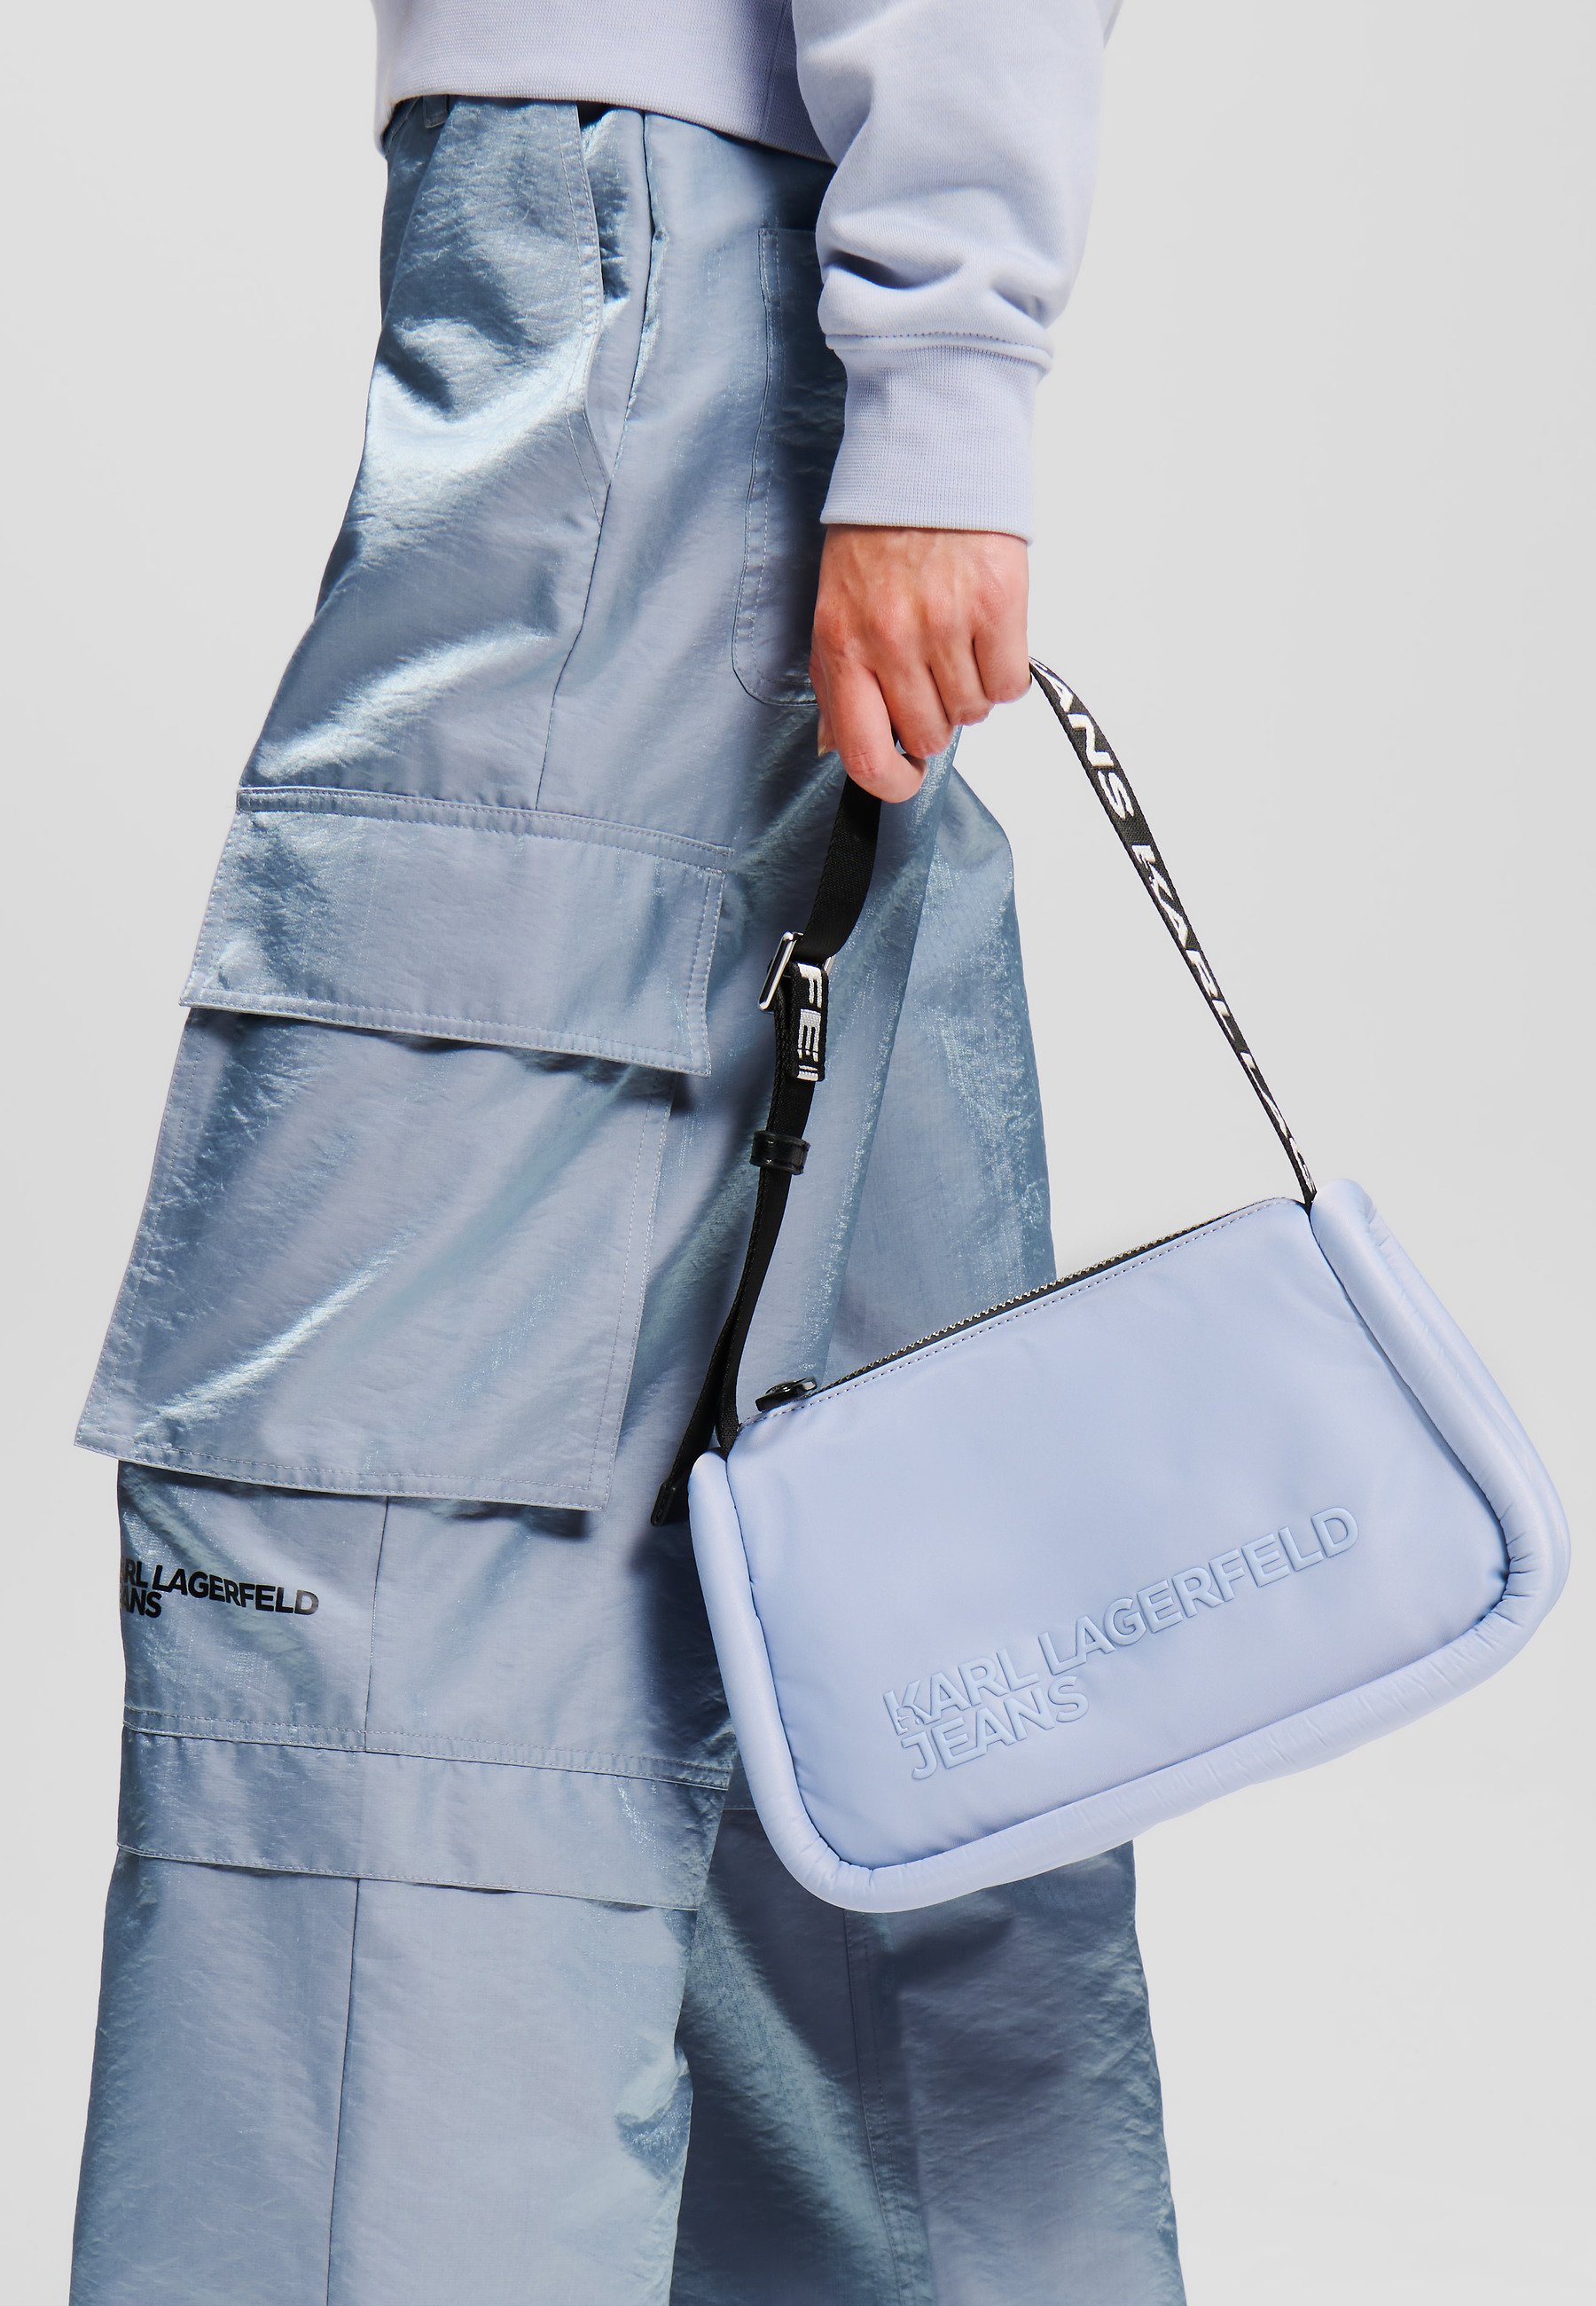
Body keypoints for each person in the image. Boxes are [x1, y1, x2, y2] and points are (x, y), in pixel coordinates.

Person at [71, 3, 1185, 2299]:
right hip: (623, 279)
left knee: (389, 1600)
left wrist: (947, 366)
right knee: (865, 1635)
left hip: (642, 311)